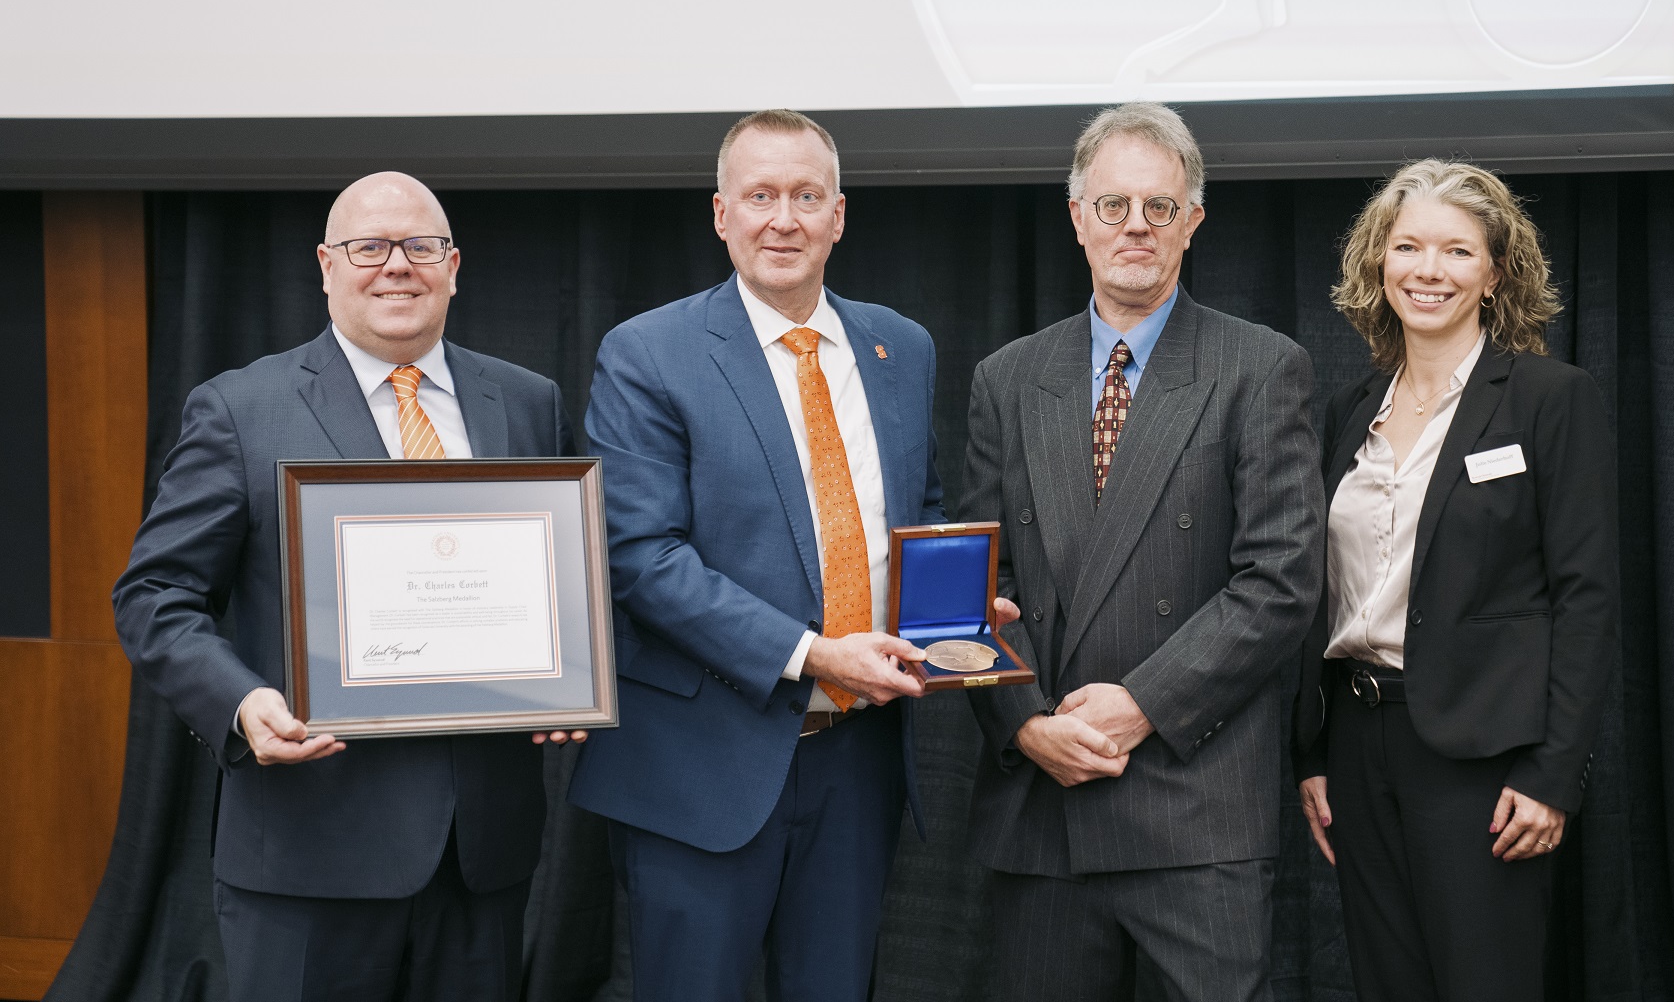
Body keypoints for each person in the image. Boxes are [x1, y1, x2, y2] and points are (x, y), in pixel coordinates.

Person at [111, 172, 580, 1002]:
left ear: (454, 265)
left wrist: (566, 684)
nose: (396, 265)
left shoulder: (526, 400)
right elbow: (156, 594)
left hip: (481, 856)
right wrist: (240, 701)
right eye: (370, 247)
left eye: (420, 247)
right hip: (308, 851)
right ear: (327, 265)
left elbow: (557, 576)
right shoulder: (240, 410)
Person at [565, 109, 998, 1001]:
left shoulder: (899, 346)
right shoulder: (649, 352)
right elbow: (641, 556)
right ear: (721, 214)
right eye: (760, 196)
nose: (783, 219)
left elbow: (916, 510)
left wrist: (954, 605)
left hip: (858, 762)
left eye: (806, 195)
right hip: (699, 766)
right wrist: (811, 655)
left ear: (840, 215)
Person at [960, 101, 1325, 1002]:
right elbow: (979, 583)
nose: (1135, 227)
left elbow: (1281, 580)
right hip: (1042, 805)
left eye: (1159, 208)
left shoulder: (1260, 367)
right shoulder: (1007, 379)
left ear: (1193, 222)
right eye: (1113, 205)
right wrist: (1025, 724)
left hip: (1194, 810)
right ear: (1077, 217)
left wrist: (1139, 706)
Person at [1290, 160, 1620, 1002]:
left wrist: (1554, 775)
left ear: (1495, 272)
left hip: (1485, 758)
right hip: (1360, 747)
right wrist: (1317, 753)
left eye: (1456, 251)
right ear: (1379, 263)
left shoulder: (1550, 399)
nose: (1428, 270)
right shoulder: (1347, 408)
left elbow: (1587, 599)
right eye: (1408, 247)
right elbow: (1327, 594)